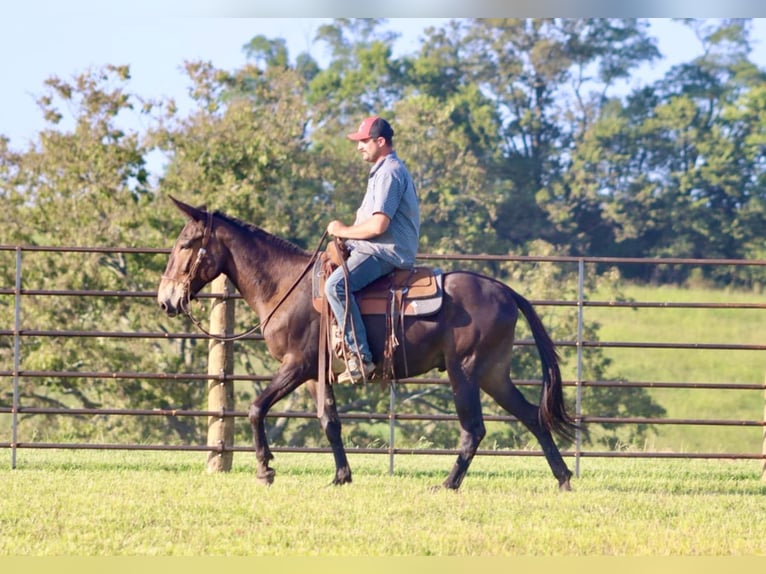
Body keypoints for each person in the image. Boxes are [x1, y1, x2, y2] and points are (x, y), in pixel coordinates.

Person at [325, 116, 420, 383]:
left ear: (381, 141)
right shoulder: (382, 170)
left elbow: (379, 225)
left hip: (384, 252)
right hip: (375, 247)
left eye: (364, 141)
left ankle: (360, 357)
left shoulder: (390, 172)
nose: (359, 147)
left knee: (335, 287)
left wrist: (342, 231)